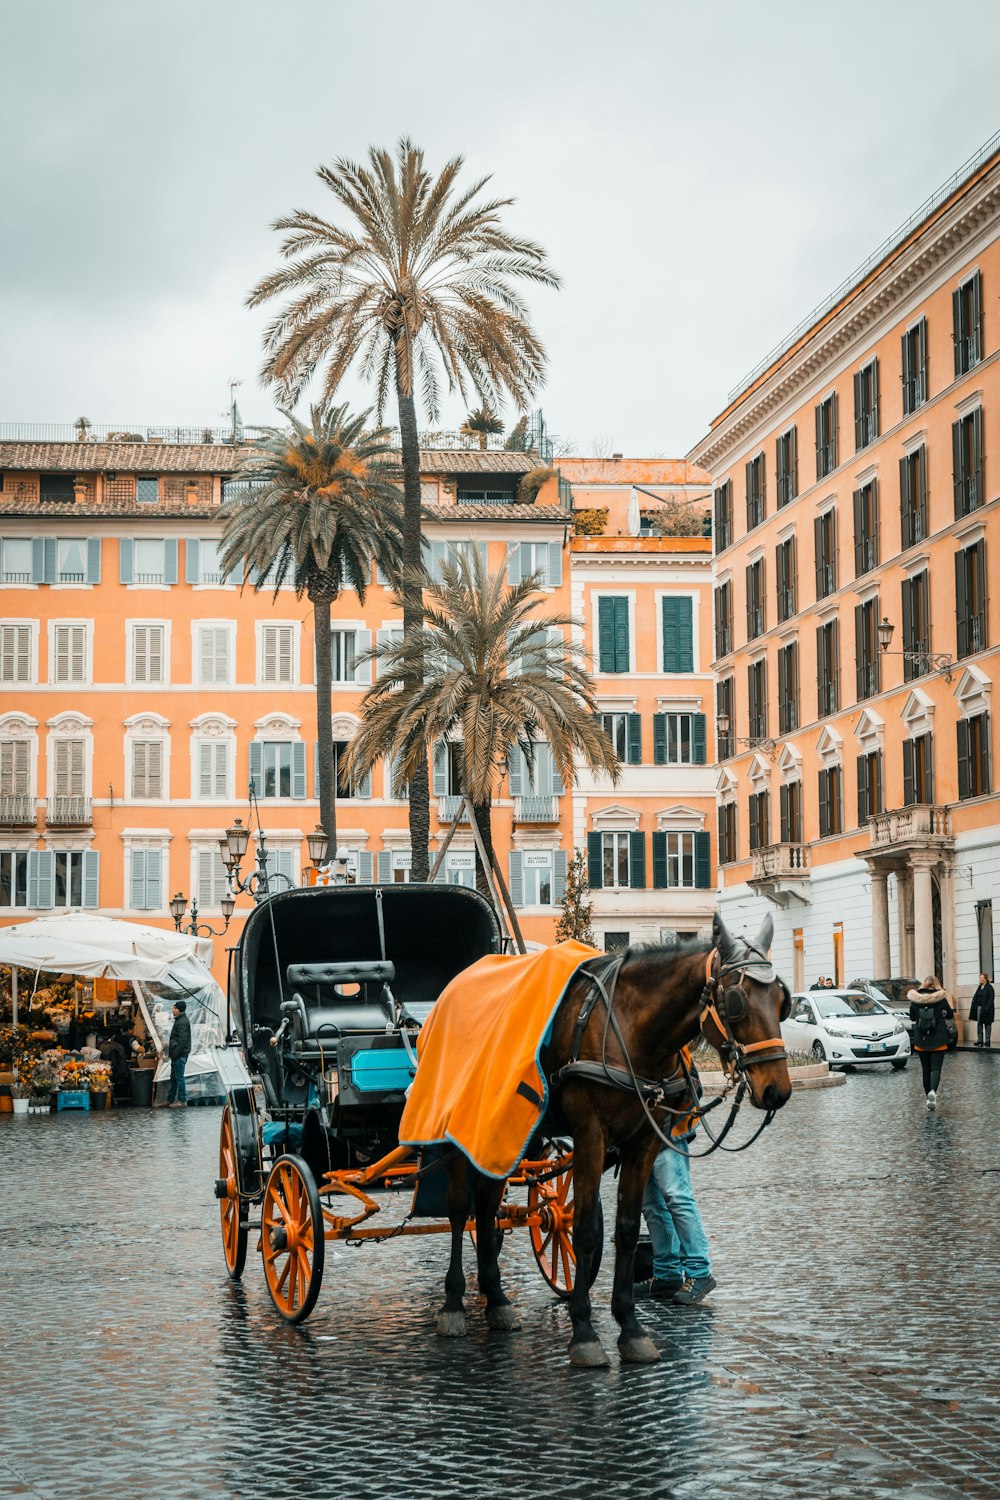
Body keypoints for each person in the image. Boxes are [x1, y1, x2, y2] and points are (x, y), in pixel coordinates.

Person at [639, 1048, 716, 1305]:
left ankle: (699, 1272)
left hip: (667, 1123)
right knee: (650, 1203)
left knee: (676, 1196)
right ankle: (667, 1273)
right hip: (642, 1127)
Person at [908, 976, 955, 1109]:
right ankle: (933, 1093)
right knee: (935, 1068)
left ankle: (927, 1097)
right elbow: (950, 1015)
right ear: (936, 985)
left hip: (921, 1039)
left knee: (926, 1069)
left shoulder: (915, 999)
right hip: (938, 1039)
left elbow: (912, 1017)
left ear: (923, 984)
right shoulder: (941, 999)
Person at [166, 1000, 191, 1108]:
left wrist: (175, 1054)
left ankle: (182, 1100)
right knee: (174, 1077)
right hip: (177, 1054)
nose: (173, 1009)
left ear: (179, 1010)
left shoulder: (182, 1022)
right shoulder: (179, 1020)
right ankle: (170, 1099)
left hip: (180, 1055)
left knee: (179, 1077)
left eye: (175, 1008)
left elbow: (182, 1041)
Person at [971, 974, 995, 1049]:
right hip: (979, 1008)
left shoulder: (990, 987)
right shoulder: (979, 987)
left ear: (985, 979)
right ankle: (980, 1040)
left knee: (987, 1023)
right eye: (979, 978)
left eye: (981, 978)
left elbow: (991, 998)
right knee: (979, 1023)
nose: (980, 979)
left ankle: (987, 1041)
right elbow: (976, 996)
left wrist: (987, 1007)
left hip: (987, 1009)